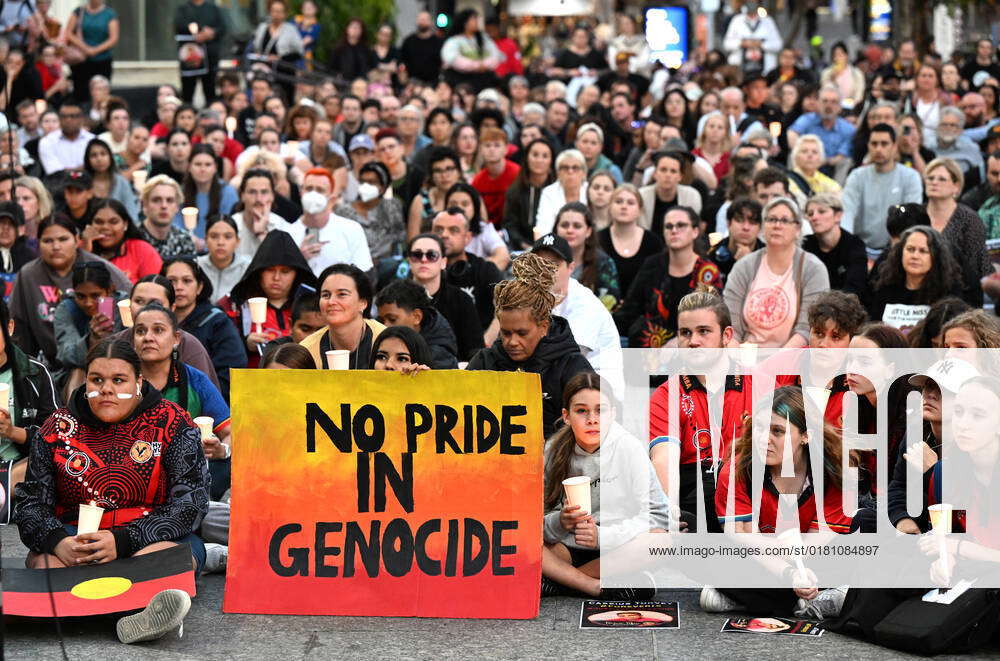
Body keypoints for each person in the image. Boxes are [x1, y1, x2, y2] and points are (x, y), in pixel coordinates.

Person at [14, 337, 208, 644]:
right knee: (44, 562)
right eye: (97, 379)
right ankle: (131, 614)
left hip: (149, 539)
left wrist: (123, 540)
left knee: (171, 559)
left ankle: (82, 613)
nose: (106, 389)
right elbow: (31, 503)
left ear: (139, 382)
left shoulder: (173, 421)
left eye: (119, 380)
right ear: (85, 381)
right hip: (75, 539)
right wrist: (58, 541)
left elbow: (191, 503)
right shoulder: (56, 428)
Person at [705, 385, 860, 618]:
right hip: (759, 556)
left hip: (808, 555)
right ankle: (809, 600)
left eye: (777, 431)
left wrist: (800, 571)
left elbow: (817, 541)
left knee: (856, 549)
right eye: (758, 428)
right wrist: (790, 575)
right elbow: (745, 538)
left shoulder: (837, 473)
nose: (763, 439)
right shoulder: (736, 470)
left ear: (807, 435)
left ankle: (750, 599)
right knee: (711, 553)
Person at [542, 372, 669, 598]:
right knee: (518, 540)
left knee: (660, 540)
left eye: (601, 410)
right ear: (566, 416)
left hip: (615, 549)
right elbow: (533, 522)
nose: (592, 419)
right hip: (566, 547)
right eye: (581, 411)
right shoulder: (552, 451)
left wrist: (601, 536)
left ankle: (561, 582)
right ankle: (592, 585)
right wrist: (559, 521)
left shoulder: (628, 448)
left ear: (613, 414)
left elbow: (658, 516)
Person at [648, 289, 752, 532]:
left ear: (726, 335)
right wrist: (669, 512)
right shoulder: (666, 394)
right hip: (694, 504)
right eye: (685, 333)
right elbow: (664, 458)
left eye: (703, 331)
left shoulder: (760, 385)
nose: (693, 341)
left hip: (747, 498)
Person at [467, 252, 593, 435]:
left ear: (543, 326)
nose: (512, 342)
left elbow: (591, 426)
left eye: (522, 333)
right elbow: (453, 406)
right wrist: (424, 381)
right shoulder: (485, 361)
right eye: (505, 333)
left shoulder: (572, 367)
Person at [11, 214, 130, 369]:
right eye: (48, 241)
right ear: (38, 243)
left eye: (63, 239)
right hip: (53, 362)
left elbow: (131, 302)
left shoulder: (100, 268)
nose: (56, 246)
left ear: (76, 239)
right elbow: (18, 327)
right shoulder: (28, 275)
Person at [724, 197, 829, 347]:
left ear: (798, 229)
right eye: (771, 219)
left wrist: (776, 363)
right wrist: (737, 360)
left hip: (793, 359)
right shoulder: (744, 266)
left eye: (785, 221)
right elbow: (731, 326)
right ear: (763, 227)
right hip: (746, 356)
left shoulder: (813, 269)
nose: (777, 226)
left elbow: (807, 329)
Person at [616, 206, 722, 347]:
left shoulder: (707, 271)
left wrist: (677, 341)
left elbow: (709, 321)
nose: (674, 230)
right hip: (649, 351)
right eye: (668, 226)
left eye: (681, 225)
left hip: (693, 349)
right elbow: (630, 310)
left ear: (695, 231)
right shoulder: (652, 264)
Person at [532, 233, 621, 392]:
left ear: (571, 268)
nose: (545, 271)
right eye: (539, 264)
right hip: (564, 384)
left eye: (553, 265)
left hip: (600, 393)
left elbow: (567, 355)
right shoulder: (531, 295)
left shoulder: (585, 303)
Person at [219, 230, 317, 367]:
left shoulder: (314, 305)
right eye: (270, 270)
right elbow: (219, 350)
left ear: (297, 274)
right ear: (259, 271)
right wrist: (244, 343)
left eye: (285, 271)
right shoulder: (235, 305)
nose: (276, 278)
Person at [162, 257, 245, 401]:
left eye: (187, 281)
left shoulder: (217, 322)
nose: (178, 287)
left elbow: (231, 373)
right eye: (171, 281)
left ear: (199, 287)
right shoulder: (152, 322)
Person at [841, 124, 923, 258]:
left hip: (896, 249)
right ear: (868, 146)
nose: (878, 149)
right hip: (859, 247)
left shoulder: (910, 177)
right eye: (874, 144)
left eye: (884, 144)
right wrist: (846, 244)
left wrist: (897, 248)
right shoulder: (857, 176)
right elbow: (848, 212)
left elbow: (909, 215)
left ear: (894, 146)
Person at [405, 232, 482, 363]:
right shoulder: (395, 297)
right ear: (409, 261)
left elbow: (474, 350)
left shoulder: (462, 300)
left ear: (443, 262)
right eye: (417, 255)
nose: (424, 260)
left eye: (432, 255)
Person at [923, 157, 989, 307]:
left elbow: (976, 268)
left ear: (956, 186)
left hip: (959, 292)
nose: (934, 182)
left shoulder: (970, 219)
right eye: (930, 178)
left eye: (941, 179)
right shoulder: (915, 214)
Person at [868, 225, 962, 330]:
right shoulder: (885, 287)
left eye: (923, 251)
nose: (915, 256)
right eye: (910, 249)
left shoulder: (948, 293)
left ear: (936, 256)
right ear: (900, 253)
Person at [300, 263, 386, 370]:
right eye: (325, 295)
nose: (331, 302)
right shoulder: (307, 350)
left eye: (342, 294)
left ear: (363, 302)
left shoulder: (386, 339)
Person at [431, 208, 501, 336]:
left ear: (468, 237)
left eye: (454, 230)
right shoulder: (422, 271)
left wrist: (484, 345)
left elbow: (505, 309)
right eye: (438, 229)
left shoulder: (485, 270)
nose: (444, 235)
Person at [325, 164, 394, 277]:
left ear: (382, 187)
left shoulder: (391, 207)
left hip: (385, 266)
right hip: (354, 266)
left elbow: (398, 238)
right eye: (362, 182)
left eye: (372, 182)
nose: (366, 186)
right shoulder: (343, 211)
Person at [598, 184, 664, 301]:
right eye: (618, 201)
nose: (624, 206)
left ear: (640, 210)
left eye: (630, 203)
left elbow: (658, 282)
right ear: (609, 207)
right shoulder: (598, 239)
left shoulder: (653, 242)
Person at [374, 279, 458, 369]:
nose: (384, 326)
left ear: (417, 317)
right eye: (381, 320)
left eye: (392, 319)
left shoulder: (439, 356)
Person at [554, 202, 620, 310]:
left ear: (588, 231)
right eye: (564, 225)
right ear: (556, 229)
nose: (570, 230)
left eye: (577, 226)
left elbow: (611, 304)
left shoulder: (604, 263)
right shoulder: (543, 260)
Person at [80, 198, 161, 284]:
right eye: (99, 222)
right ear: (90, 225)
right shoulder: (80, 247)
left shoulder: (141, 249)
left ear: (125, 224)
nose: (105, 227)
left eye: (113, 222)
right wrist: (85, 249)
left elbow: (156, 287)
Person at [802, 193, 867, 297]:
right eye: (810, 214)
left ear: (838, 215)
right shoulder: (805, 245)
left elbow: (855, 288)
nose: (814, 217)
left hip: (844, 306)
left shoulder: (854, 245)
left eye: (821, 211)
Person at [63, 0, 119, 104]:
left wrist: (95, 50)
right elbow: (69, 33)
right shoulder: (79, 11)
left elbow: (113, 38)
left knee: (101, 93)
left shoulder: (109, 14)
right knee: (81, 93)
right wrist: (85, 48)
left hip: (102, 60)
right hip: (81, 61)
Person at [444, 182, 509, 271]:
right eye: (453, 204)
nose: (459, 208)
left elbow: (503, 256)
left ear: (475, 207)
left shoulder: (484, 229)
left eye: (465, 204)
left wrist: (473, 274)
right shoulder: (438, 230)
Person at [180, 144, 238, 240]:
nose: (202, 169)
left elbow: (230, 227)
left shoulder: (228, 193)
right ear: (189, 167)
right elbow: (175, 224)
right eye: (198, 164)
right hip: (186, 247)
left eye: (208, 164)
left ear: (215, 167)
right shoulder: (180, 193)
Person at [639, 152, 702, 237]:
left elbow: (692, 230)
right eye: (663, 170)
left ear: (680, 176)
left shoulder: (691, 196)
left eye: (673, 171)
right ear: (655, 174)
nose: (668, 175)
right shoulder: (641, 196)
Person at [408, 147, 464, 239]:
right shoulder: (420, 201)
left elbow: (481, 231)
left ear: (459, 172)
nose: (444, 175)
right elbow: (412, 241)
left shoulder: (470, 197)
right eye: (438, 171)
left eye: (449, 169)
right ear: (431, 175)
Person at [440, 9, 501, 92]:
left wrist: (484, 65)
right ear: (465, 23)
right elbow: (452, 59)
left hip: (482, 79)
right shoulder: (454, 41)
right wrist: (475, 66)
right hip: (460, 78)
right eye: (473, 19)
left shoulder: (483, 39)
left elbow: (496, 55)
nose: (476, 22)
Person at [138, 175, 196, 260]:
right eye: (156, 200)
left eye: (169, 200)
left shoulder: (184, 239)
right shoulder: (132, 239)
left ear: (177, 206)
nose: (164, 206)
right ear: (145, 205)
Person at [195, 215, 249, 304]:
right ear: (206, 240)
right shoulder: (196, 267)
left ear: (237, 241)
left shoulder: (247, 269)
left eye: (228, 237)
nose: (220, 242)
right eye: (214, 236)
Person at [471, 127, 519, 226]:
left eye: (497, 145)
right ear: (481, 149)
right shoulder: (477, 180)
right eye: (487, 145)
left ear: (506, 149)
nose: (492, 149)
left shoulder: (517, 173)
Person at [535, 149, 589, 236]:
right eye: (565, 168)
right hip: (556, 244)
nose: (570, 171)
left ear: (583, 173)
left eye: (575, 167)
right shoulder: (549, 192)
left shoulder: (590, 190)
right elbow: (542, 228)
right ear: (558, 173)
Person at [37, 100, 94, 174]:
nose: (68, 120)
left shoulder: (92, 140)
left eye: (73, 116)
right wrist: (83, 168)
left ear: (82, 119)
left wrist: (67, 170)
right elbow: (55, 173)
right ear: (59, 119)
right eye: (64, 116)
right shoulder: (47, 142)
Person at [399, 11, 444, 85]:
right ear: (416, 21)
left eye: (425, 20)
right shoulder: (408, 41)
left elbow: (442, 63)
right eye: (420, 20)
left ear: (431, 22)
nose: (422, 22)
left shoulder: (438, 42)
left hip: (433, 83)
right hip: (412, 83)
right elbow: (402, 61)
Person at [328, 17, 375, 82]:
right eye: (353, 27)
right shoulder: (339, 49)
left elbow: (371, 68)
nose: (355, 30)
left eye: (358, 28)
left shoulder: (366, 49)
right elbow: (331, 69)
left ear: (362, 31)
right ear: (347, 29)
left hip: (361, 85)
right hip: (343, 84)